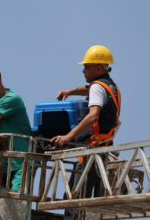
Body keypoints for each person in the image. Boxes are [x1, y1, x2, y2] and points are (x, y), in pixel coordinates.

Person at [50, 45, 121, 220]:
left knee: (74, 202)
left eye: (87, 66)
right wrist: (70, 92)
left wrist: (68, 137)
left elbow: (92, 116)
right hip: (103, 151)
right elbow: (89, 89)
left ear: (99, 67)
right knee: (94, 205)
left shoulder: (97, 87)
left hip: (91, 152)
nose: (83, 70)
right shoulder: (110, 86)